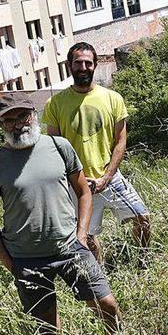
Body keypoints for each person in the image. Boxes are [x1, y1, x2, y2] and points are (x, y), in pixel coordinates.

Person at [0, 93, 119, 335]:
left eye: (23, 115)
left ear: (34, 115)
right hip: (26, 258)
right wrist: (7, 259)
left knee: (107, 305)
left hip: (69, 247)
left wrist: (81, 235)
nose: (18, 124)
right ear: (1, 125)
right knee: (48, 330)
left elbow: (83, 191)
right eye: (9, 120)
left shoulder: (59, 146)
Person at [43, 42, 151, 265]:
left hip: (111, 179)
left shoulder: (112, 98)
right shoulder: (55, 104)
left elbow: (121, 141)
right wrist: (78, 180)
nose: (83, 67)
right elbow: (55, 147)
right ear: (69, 65)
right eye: (78, 62)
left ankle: (143, 262)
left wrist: (107, 176)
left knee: (142, 217)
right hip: (79, 185)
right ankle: (100, 275)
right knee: (87, 236)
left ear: (95, 65)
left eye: (87, 63)